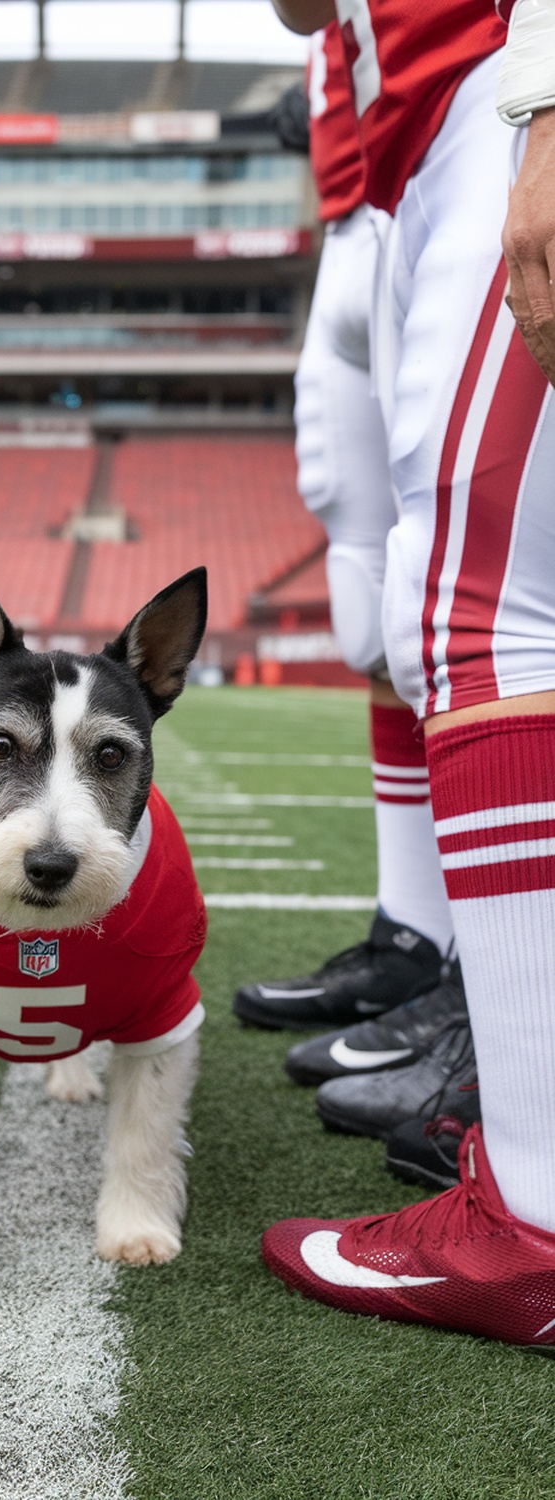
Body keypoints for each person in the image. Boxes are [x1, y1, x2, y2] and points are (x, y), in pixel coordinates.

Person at [261, 0, 555, 1348]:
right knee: (461, 601)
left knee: (487, 607)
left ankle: (536, 1217)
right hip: (441, 121)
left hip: (503, 82)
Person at [233, 25, 471, 1137]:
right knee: (381, 605)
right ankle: (415, 938)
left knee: (478, 597)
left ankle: (485, 970)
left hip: (474, 139)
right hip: (369, 193)